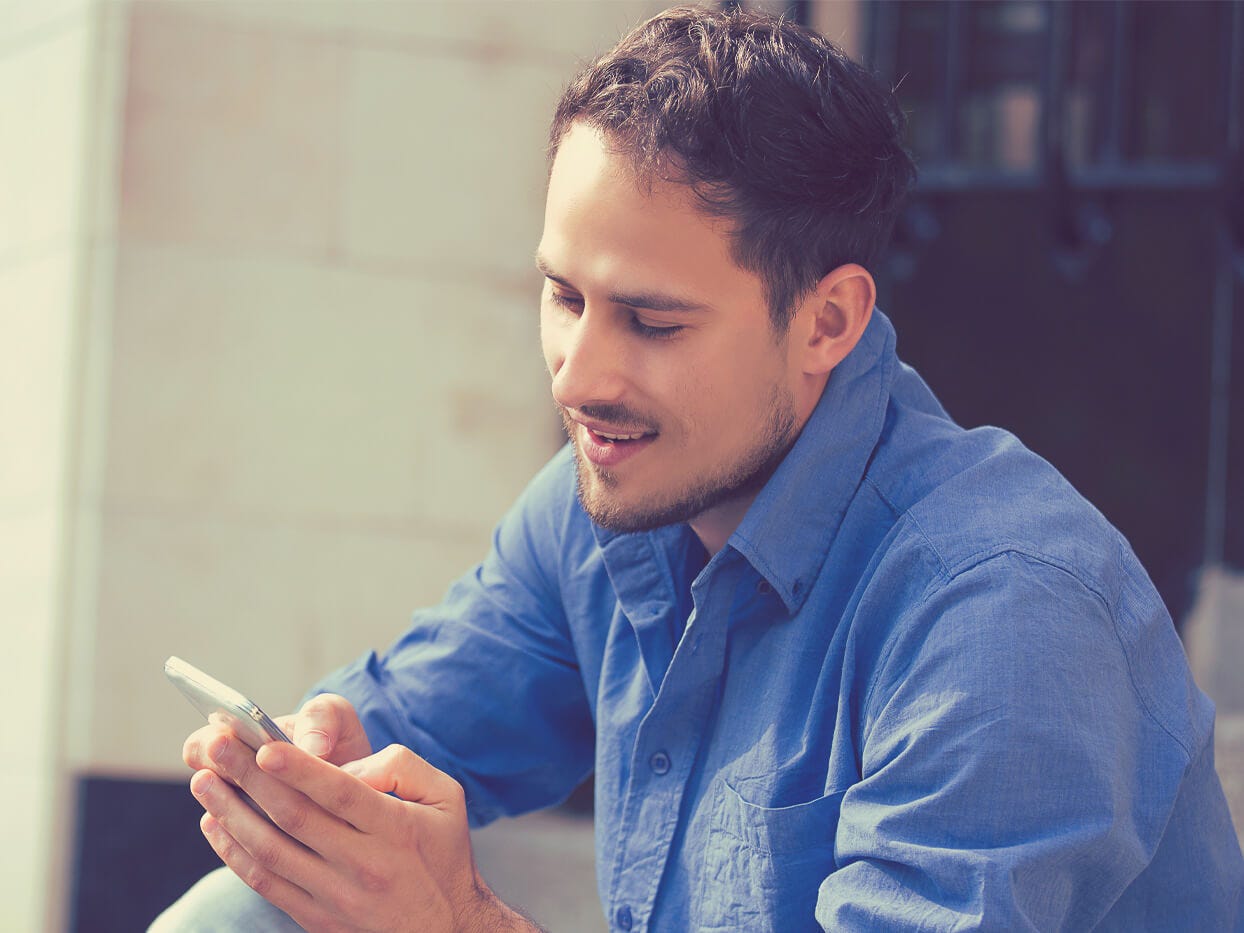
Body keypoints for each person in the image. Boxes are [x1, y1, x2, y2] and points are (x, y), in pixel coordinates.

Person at [152, 5, 1244, 931]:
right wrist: (306, 771)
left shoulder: (1002, 612)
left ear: (826, 321)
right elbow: (407, 722)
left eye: (650, 321)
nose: (577, 378)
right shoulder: (603, 507)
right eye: (564, 297)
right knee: (244, 914)